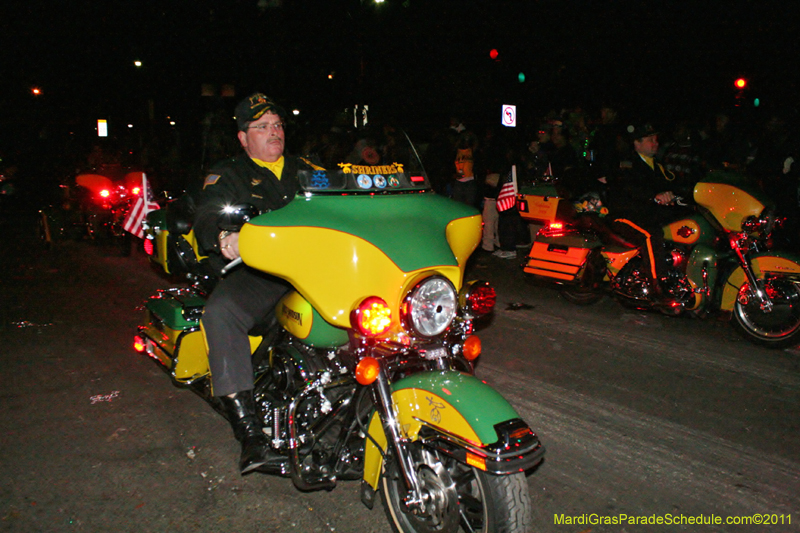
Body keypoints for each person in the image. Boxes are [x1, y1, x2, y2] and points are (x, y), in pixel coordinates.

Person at [193, 92, 315, 475]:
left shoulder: (309, 169)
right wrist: (224, 238)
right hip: (260, 274)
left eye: (276, 125)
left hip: (316, 268)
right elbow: (208, 215)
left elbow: (347, 200)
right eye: (261, 127)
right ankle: (250, 436)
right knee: (221, 313)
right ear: (244, 137)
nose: (272, 132)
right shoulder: (228, 174)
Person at [606, 123, 688, 299]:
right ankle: (657, 285)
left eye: (656, 139)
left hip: (649, 215)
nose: (655, 143)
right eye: (650, 140)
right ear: (637, 144)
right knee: (650, 235)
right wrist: (654, 196)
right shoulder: (627, 164)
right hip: (625, 215)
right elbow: (629, 187)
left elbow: (674, 184)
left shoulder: (658, 167)